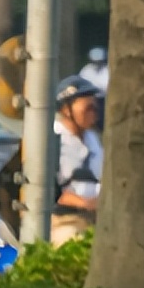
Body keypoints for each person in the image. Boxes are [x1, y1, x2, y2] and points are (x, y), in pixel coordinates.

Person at [52, 75, 104, 246]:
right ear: (66, 110)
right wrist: (84, 203)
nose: (94, 111)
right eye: (87, 107)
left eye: (94, 107)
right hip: (62, 219)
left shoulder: (93, 139)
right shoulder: (53, 139)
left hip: (96, 218)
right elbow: (46, 191)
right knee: (74, 243)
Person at [79, 47, 109, 129]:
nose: (97, 64)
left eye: (99, 61)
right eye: (95, 61)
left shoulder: (107, 70)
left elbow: (106, 86)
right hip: (90, 99)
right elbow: (82, 84)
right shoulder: (86, 70)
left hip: (103, 100)